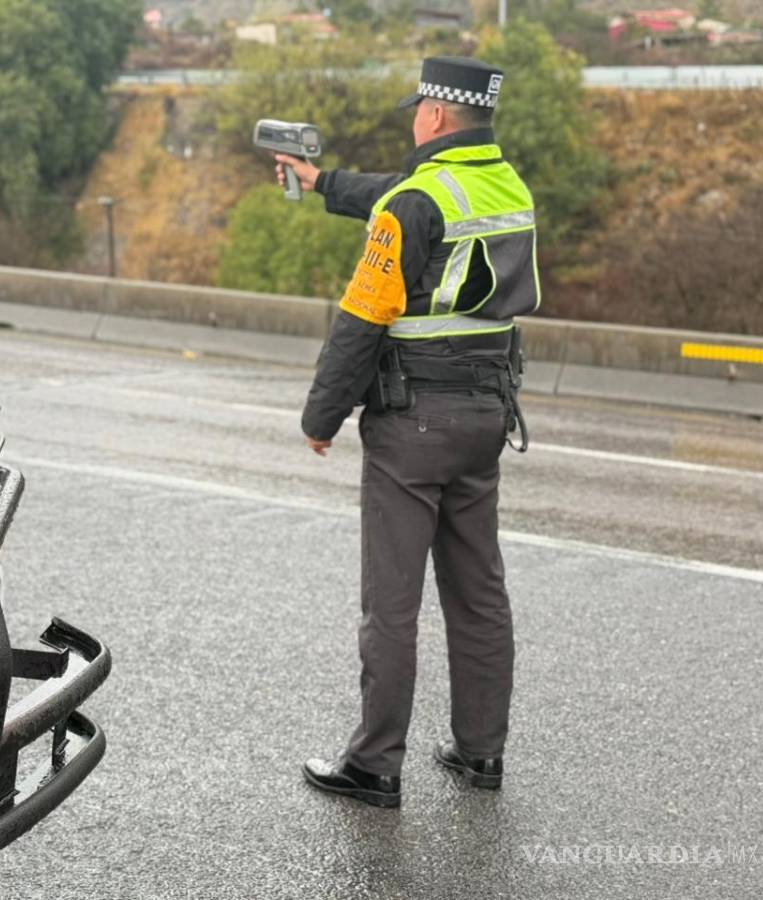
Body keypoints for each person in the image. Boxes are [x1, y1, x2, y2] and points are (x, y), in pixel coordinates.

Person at [275, 57, 539, 807]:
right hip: (486, 413)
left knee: (391, 601)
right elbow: (397, 196)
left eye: (417, 108)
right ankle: (481, 753)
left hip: (412, 421)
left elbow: (363, 317)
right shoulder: (505, 187)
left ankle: (374, 764)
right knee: (479, 590)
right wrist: (321, 181)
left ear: (433, 117)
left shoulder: (418, 198)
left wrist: (321, 416)